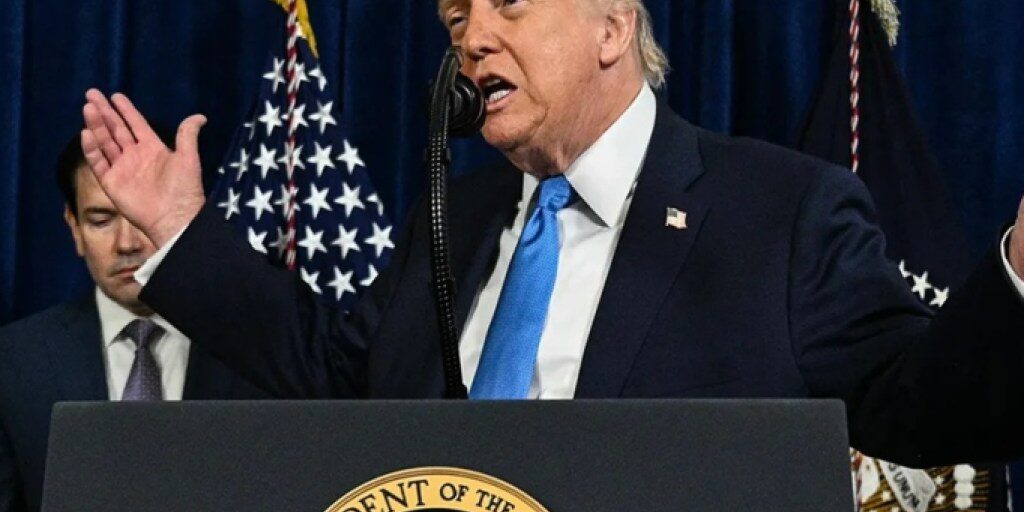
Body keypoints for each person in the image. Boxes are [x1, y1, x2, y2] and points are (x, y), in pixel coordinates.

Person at [79, 0, 1024, 469]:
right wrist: (179, 233)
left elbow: (921, 407)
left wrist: (1019, 269)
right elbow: (333, 369)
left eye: (507, 4)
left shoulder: (782, 212)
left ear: (611, 26)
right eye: (457, 17)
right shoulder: (457, 219)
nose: (471, 37)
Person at [0, 133, 267, 512]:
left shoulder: (257, 351)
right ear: (74, 227)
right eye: (101, 220)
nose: (127, 243)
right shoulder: (14, 360)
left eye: (143, 216)